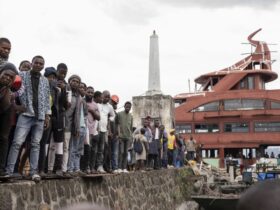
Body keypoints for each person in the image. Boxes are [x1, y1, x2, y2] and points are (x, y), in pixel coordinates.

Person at [6, 56, 51, 181]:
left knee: (35, 144)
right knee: (16, 143)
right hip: (26, 115)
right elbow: (13, 90)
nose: (38, 65)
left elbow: (47, 98)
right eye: (36, 62)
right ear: (32, 63)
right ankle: (9, 171)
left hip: (40, 116)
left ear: (43, 66)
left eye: (41, 63)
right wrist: (16, 106)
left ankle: (33, 172)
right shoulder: (22, 75)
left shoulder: (44, 80)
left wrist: (47, 115)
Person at [0, 62, 18, 176]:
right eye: (5, 74)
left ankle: (1, 169)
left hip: (5, 115)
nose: (7, 78)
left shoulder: (9, 94)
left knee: (3, 138)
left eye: (11, 77)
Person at [96, 90, 115, 173]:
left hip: (104, 130)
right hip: (95, 129)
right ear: (102, 96)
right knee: (93, 148)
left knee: (101, 149)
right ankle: (93, 166)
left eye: (108, 97)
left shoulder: (110, 106)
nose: (107, 98)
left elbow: (113, 116)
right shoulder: (97, 104)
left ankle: (100, 166)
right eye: (105, 96)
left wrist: (108, 119)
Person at [88, 90, 102, 173]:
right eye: (101, 97)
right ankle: (87, 168)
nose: (102, 98)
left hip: (95, 131)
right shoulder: (87, 103)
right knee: (88, 150)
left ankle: (92, 167)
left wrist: (92, 111)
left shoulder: (96, 105)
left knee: (94, 151)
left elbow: (99, 118)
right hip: (88, 130)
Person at [117, 101, 133, 173]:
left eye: (129, 107)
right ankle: (119, 167)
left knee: (126, 153)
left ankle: (124, 168)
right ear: (124, 106)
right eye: (127, 106)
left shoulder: (131, 116)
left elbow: (131, 127)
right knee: (121, 152)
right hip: (121, 137)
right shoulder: (119, 114)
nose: (128, 108)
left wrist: (130, 137)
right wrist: (118, 135)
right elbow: (117, 124)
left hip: (128, 137)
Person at [109, 95, 119, 174]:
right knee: (108, 152)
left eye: (115, 103)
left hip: (115, 136)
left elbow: (118, 124)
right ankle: (109, 167)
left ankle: (115, 167)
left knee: (115, 153)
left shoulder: (116, 114)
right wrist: (109, 132)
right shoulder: (107, 112)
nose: (114, 104)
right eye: (113, 102)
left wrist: (117, 134)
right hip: (109, 135)